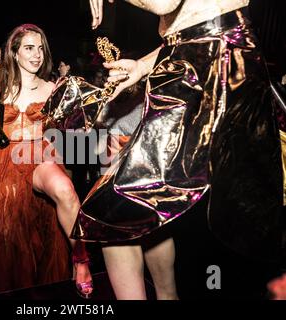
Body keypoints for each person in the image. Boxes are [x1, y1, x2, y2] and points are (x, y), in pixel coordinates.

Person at [75, 0, 285, 299]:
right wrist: (142, 66)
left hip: (217, 63)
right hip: (199, 55)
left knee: (118, 209)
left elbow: (165, 4)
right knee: (142, 206)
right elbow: (190, 25)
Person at [0, 23, 93, 297]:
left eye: (40, 48)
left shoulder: (53, 88)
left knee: (65, 190)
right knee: (9, 239)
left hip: (42, 156)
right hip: (6, 162)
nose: (37, 54)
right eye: (29, 48)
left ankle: (81, 259)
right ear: (14, 53)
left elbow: (68, 137)